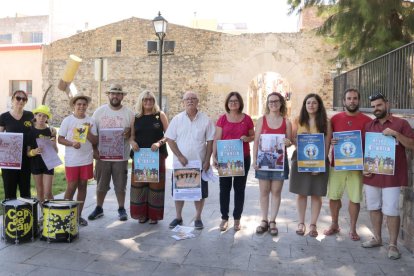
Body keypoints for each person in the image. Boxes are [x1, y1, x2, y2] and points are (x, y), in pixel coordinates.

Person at [361, 93, 414, 260]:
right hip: (372, 174)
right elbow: (364, 149)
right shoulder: (369, 125)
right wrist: (363, 166)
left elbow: (412, 145)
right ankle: (377, 238)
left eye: (379, 105)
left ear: (387, 104)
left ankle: (393, 245)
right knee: (374, 207)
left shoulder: (401, 123)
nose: (376, 108)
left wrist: (396, 134)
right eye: (373, 106)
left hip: (392, 176)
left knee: (391, 210)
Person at [324, 88, 372, 241]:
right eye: (349, 98)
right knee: (333, 196)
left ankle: (352, 229)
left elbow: (370, 143)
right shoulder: (335, 119)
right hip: (337, 164)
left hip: (357, 166)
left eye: (355, 98)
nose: (352, 101)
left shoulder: (368, 121)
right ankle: (334, 224)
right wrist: (331, 142)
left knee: (355, 198)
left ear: (359, 100)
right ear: (344, 101)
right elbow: (328, 139)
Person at [165, 91, 215, 230]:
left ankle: (198, 217)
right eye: (187, 99)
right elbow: (169, 139)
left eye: (193, 98)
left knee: (199, 193)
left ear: (198, 101)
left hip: (199, 163)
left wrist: (207, 160)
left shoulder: (206, 120)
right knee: (178, 192)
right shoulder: (177, 119)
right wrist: (180, 155)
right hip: (181, 164)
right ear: (183, 102)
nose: (190, 101)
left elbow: (210, 141)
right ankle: (178, 217)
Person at [88, 84, 134, 221]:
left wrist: (129, 133)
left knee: (120, 184)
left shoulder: (129, 114)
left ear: (123, 96)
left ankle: (121, 208)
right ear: (108, 95)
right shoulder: (99, 112)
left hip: (121, 156)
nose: (115, 96)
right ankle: (99, 208)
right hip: (103, 155)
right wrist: (94, 150)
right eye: (112, 93)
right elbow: (92, 133)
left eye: (118, 94)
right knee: (101, 184)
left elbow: (133, 134)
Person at [290, 93, 332, 237]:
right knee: (302, 193)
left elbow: (327, 144)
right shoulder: (298, 120)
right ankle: (301, 223)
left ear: (319, 105)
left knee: (316, 193)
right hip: (301, 160)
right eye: (308, 103)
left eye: (314, 103)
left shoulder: (326, 122)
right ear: (304, 105)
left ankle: (313, 225)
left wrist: (320, 165)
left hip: (319, 161)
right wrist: (299, 142)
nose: (311, 105)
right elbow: (292, 139)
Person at [212, 91, 254, 231]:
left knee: (239, 189)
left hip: (243, 159)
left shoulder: (247, 119)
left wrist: (247, 139)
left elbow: (253, 136)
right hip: (225, 159)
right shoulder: (222, 119)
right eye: (231, 101)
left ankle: (237, 219)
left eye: (236, 101)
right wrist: (214, 156)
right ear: (227, 104)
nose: (233, 103)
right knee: (224, 189)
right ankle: (224, 218)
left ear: (240, 103)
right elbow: (217, 138)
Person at [253, 92, 292, 236]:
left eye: (276, 101)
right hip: (263, 162)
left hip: (279, 162)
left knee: (276, 191)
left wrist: (288, 142)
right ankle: (264, 220)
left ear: (281, 103)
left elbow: (289, 141)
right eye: (270, 101)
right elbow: (256, 141)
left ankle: (273, 221)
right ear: (267, 104)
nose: (273, 103)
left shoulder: (286, 122)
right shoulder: (261, 120)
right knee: (264, 191)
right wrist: (254, 159)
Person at [58, 93, 98, 226]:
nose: (81, 106)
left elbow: (95, 141)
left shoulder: (91, 121)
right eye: (79, 104)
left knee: (82, 186)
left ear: (87, 106)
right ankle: (63, 215)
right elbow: (60, 138)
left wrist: (88, 132)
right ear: (74, 105)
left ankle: (78, 216)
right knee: (71, 187)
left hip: (86, 159)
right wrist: (71, 143)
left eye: (84, 104)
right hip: (72, 160)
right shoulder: (67, 120)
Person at [129, 90, 169, 224]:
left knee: (155, 185)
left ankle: (154, 215)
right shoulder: (136, 117)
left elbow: (168, 134)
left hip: (157, 155)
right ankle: (141, 214)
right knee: (139, 185)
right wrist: (132, 142)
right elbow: (132, 136)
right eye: (145, 100)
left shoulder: (160, 115)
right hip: (140, 156)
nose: (148, 102)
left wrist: (159, 143)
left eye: (151, 100)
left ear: (154, 101)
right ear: (141, 101)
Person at [0, 90, 34, 199]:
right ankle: (10, 215)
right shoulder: (4, 117)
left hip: (26, 158)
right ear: (12, 99)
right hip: (9, 160)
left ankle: (26, 215)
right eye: (18, 98)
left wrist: (51, 131)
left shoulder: (30, 115)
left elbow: (38, 129)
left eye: (24, 99)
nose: (21, 101)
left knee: (25, 191)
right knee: (9, 190)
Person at [27, 105, 57, 203]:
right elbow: (28, 153)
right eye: (39, 115)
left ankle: (54, 213)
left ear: (47, 118)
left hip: (48, 163)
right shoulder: (30, 131)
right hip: (35, 163)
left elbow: (56, 151)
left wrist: (53, 139)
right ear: (35, 116)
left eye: (44, 116)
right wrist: (34, 152)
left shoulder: (51, 131)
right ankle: (44, 215)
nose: (41, 118)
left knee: (47, 192)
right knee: (40, 191)